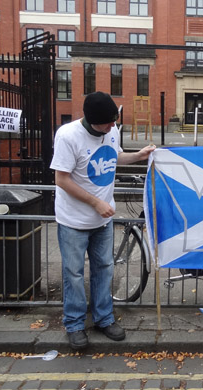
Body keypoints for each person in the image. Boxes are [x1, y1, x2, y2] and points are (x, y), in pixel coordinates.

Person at [50, 91, 155, 350]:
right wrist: (96, 202)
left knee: (104, 268)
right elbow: (61, 180)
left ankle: (104, 319)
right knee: (73, 274)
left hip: (103, 221)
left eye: (114, 121)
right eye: (107, 123)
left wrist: (138, 155)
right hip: (74, 220)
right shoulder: (67, 136)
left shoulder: (111, 130)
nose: (112, 126)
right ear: (90, 120)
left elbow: (113, 156)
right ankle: (74, 324)